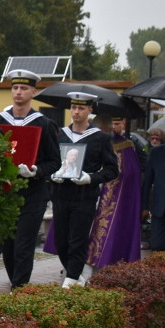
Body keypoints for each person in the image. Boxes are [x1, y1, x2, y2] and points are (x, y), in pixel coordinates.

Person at [0, 69, 60, 288]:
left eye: (24, 88)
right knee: (8, 246)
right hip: (5, 194)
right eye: (15, 87)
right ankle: (16, 284)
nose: (18, 92)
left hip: (33, 193)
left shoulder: (44, 124)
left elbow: (55, 162)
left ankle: (20, 288)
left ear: (33, 92)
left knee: (24, 245)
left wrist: (36, 171)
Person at [49, 92, 118, 287]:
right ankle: (77, 277)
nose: (76, 112)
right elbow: (52, 162)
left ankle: (69, 282)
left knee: (77, 241)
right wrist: (54, 175)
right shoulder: (60, 134)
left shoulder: (100, 138)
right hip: (61, 195)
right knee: (60, 242)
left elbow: (113, 170)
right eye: (73, 107)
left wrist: (90, 178)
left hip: (84, 197)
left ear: (90, 110)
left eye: (81, 108)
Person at [85, 116, 143, 270]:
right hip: (98, 189)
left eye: (117, 124)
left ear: (124, 124)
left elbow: (132, 172)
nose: (114, 126)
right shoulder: (102, 140)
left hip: (117, 194)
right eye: (112, 123)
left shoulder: (128, 145)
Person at [142, 130, 165, 252]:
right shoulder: (157, 152)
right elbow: (147, 182)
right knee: (157, 245)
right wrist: (144, 207)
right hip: (160, 207)